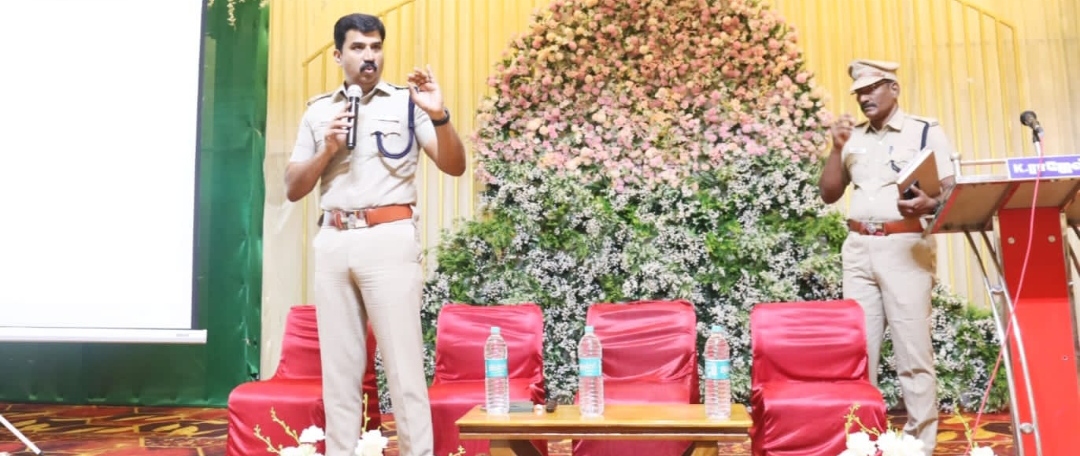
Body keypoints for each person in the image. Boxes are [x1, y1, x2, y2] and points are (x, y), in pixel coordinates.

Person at [284, 13, 466, 456]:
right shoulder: (318, 111)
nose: (369, 56)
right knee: (340, 373)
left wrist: (439, 115)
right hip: (333, 239)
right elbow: (293, 188)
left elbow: (455, 165)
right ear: (337, 55)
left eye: (376, 47)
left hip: (388, 237)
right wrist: (326, 149)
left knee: (404, 369)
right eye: (358, 47)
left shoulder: (407, 103)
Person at [818, 59, 956, 455]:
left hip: (905, 247)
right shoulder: (852, 137)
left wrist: (931, 202)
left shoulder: (924, 130)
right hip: (858, 249)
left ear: (893, 88)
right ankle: (864, 441)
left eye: (872, 89)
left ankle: (919, 444)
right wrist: (836, 149)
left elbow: (951, 188)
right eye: (859, 92)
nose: (864, 97)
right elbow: (829, 193)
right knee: (859, 352)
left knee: (913, 351)